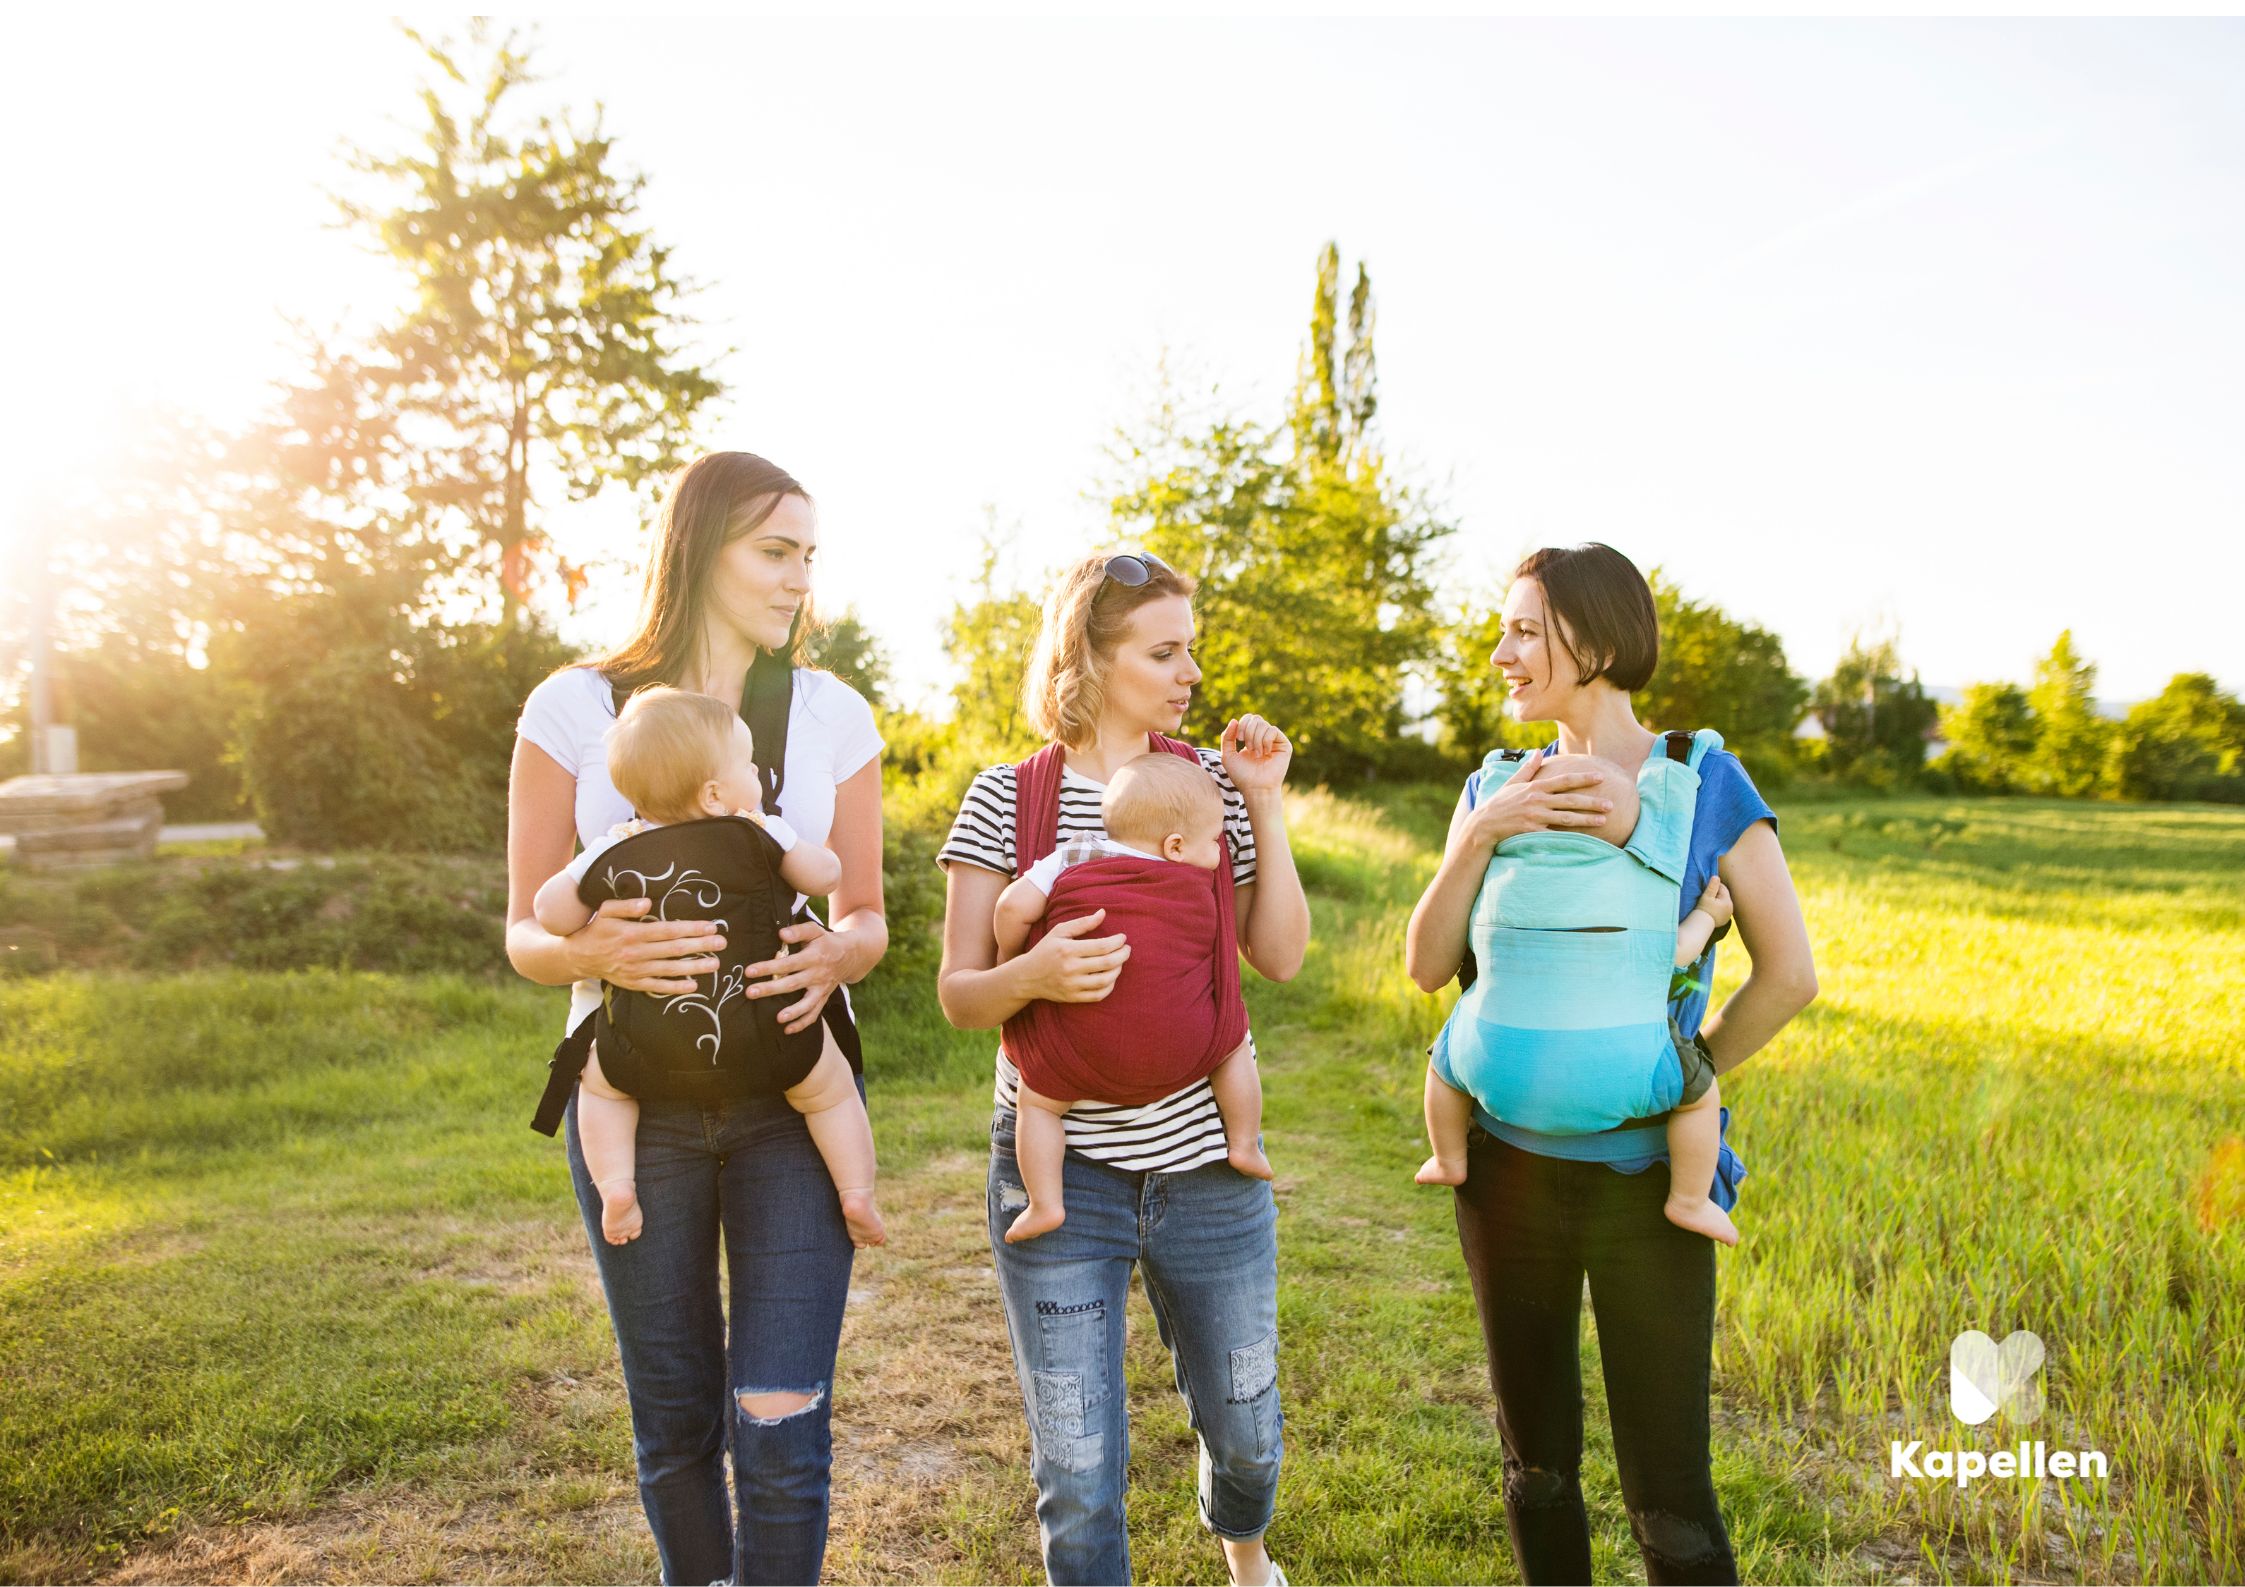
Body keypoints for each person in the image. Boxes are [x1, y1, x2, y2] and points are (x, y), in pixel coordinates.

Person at [1404, 543, 1818, 1585]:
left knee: (1669, 1495)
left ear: (1591, 640)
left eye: (1524, 630)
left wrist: (1680, 1071)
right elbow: (1426, 967)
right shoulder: (1497, 782)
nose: (1501, 652)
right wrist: (1476, 838)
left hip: (1647, 1192)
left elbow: (1788, 975)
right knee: (1534, 1468)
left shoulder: (1704, 781)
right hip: (1506, 1179)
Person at [507, 451, 887, 1585]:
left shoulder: (831, 712)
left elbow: (868, 914)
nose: (798, 581)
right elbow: (525, 933)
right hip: (636, 1101)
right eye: (776, 552)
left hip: (790, 1099)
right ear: (696, 549)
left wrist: (839, 947)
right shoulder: (571, 706)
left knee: (781, 1415)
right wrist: (592, 949)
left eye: (809, 557)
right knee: (676, 1422)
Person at [936, 550, 1310, 1587]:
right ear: (1090, 658)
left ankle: (1246, 1555)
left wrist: (1263, 803)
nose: (1188, 671)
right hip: (1064, 1182)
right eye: (1162, 651)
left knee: (1247, 1432)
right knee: (1078, 1461)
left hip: (1206, 1174)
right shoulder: (1005, 800)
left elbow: (1276, 956)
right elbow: (961, 994)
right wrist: (1037, 972)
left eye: (1190, 648)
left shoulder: (1207, 789)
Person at [532, 684, 884, 1250]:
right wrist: (788, 837)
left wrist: (590, 922)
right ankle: (856, 1191)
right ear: (718, 793)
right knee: (830, 1090)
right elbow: (824, 877)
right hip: (770, 1025)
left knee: (601, 1088)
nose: (756, 775)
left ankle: (618, 1187)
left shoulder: (616, 844)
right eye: (748, 764)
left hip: (649, 1040)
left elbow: (549, 911)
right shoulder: (758, 830)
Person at [1414, 747, 1742, 1246]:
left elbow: (1432, 965)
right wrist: (1709, 917)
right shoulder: (1644, 881)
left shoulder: (1503, 873)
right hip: (1624, 1063)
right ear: (1631, 827)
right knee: (1699, 1095)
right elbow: (1679, 951)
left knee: (1443, 1064)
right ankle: (1690, 1201)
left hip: (1491, 1058)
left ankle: (1448, 1158)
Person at [993, 748, 1270, 1244]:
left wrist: (1016, 957)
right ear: (1177, 846)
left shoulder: (1075, 852)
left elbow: (1013, 908)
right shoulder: (1195, 881)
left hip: (1074, 1051)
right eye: (1214, 841)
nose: (1218, 853)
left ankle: (1044, 1202)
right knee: (1233, 1044)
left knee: (1037, 1105)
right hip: (1186, 1045)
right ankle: (1245, 1143)